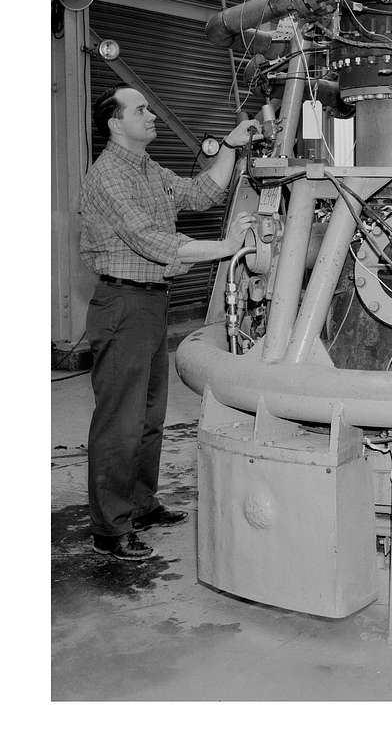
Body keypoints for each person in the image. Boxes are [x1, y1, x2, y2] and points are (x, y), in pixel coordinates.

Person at [80, 85, 258, 561]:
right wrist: (223, 249)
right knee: (120, 421)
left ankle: (140, 504)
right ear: (117, 123)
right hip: (123, 304)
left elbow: (199, 192)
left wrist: (232, 146)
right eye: (141, 109)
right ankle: (109, 527)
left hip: (152, 302)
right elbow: (150, 240)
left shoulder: (146, 168)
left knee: (150, 416)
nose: (152, 114)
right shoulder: (109, 176)